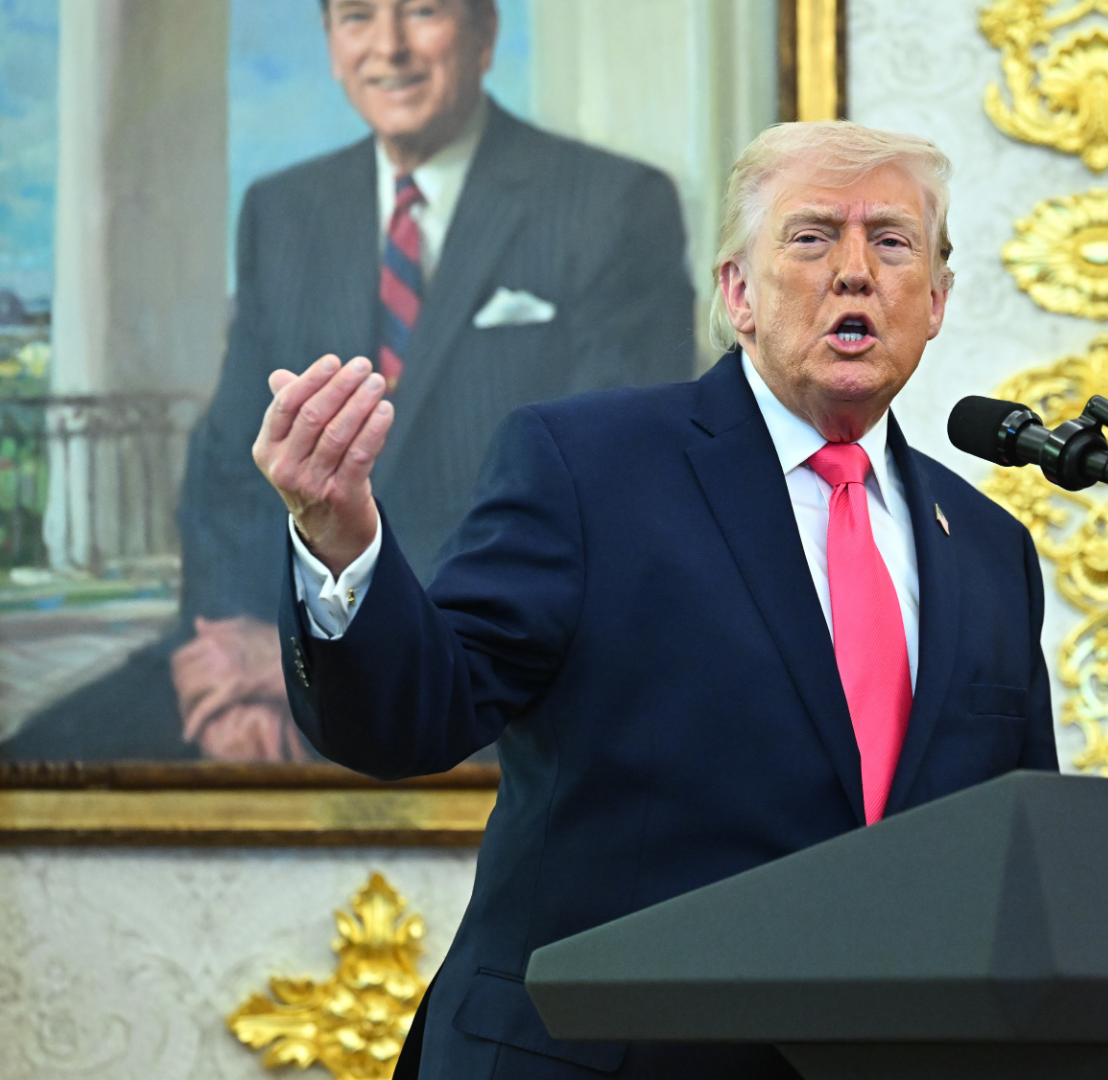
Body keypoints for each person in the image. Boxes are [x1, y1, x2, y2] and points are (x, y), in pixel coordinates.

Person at [255, 122, 1059, 1079]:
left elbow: (1012, 845)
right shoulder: (590, 467)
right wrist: (340, 541)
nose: (854, 272)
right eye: (810, 237)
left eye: (891, 242)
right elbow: (414, 717)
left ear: (934, 300)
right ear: (738, 293)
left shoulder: (989, 550)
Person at [0, 0, 695, 761]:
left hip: (491, 656)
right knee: (38, 756)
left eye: (422, 11)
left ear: (485, 33)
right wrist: (245, 659)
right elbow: (228, 468)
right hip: (283, 639)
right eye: (357, 17)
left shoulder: (613, 205)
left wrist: (359, 640)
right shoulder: (283, 211)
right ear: (330, 45)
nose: (388, 48)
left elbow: (606, 488)